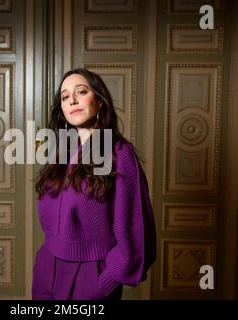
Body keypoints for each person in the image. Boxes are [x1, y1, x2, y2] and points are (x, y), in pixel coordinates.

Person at [32, 68, 156, 300]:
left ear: (99, 101)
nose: (73, 100)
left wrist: (105, 281)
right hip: (46, 271)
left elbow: (136, 227)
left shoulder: (118, 153)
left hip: (90, 276)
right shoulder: (61, 153)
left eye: (81, 91)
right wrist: (43, 265)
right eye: (65, 97)